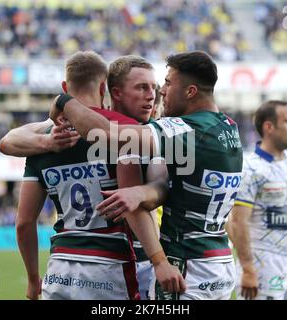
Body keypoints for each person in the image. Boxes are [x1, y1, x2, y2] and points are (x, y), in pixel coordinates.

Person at [51, 51, 244, 300]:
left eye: (167, 83)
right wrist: (141, 192)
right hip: (217, 260)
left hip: (185, 266)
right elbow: (167, 186)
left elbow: (104, 135)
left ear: (190, 92)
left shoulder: (186, 131)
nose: (160, 92)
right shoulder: (227, 126)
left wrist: (64, 100)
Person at [14, 51, 185, 300]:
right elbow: (131, 205)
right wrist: (159, 260)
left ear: (65, 87)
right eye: (142, 87)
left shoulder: (44, 141)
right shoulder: (121, 132)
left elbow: (24, 223)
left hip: (60, 268)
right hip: (109, 264)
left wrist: (32, 279)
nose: (151, 95)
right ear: (105, 87)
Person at [228, 100, 287, 300]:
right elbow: (237, 223)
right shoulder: (250, 169)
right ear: (269, 127)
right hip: (261, 268)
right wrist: (247, 269)